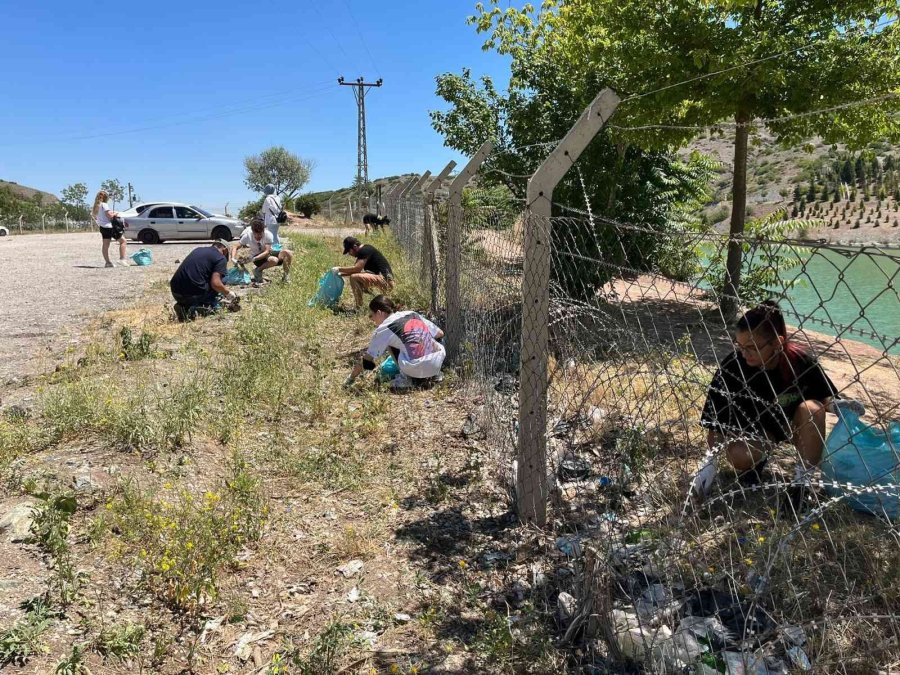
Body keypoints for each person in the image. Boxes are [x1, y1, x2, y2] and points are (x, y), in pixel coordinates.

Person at [692, 300, 864, 506]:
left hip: (789, 427)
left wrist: (838, 406)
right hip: (754, 432)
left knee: (812, 408)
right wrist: (709, 463)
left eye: (752, 347)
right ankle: (756, 462)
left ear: (777, 342)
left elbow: (825, 396)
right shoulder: (733, 365)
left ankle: (802, 483)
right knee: (738, 456)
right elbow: (715, 422)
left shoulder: (800, 361)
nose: (744, 353)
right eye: (740, 346)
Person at [345, 295, 445, 391]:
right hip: (437, 362)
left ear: (379, 312)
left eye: (371, 315)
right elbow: (440, 334)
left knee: (390, 342)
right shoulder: (411, 313)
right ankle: (434, 375)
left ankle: (407, 379)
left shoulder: (384, 328)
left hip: (417, 368)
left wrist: (351, 378)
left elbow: (367, 360)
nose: (372, 320)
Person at [170, 240, 239, 321]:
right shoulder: (221, 258)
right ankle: (199, 307)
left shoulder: (198, 249)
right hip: (193, 294)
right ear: (225, 250)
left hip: (175, 292)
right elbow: (216, 284)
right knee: (224, 277)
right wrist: (228, 293)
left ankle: (184, 306)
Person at [334, 236, 394, 308]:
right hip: (383, 281)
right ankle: (379, 302)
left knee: (354, 278)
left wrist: (339, 269)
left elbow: (356, 269)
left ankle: (359, 307)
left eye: (349, 251)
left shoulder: (365, 250)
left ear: (355, 247)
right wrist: (340, 274)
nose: (350, 254)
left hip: (386, 281)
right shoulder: (364, 251)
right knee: (357, 277)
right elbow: (356, 270)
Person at [231, 218, 293, 284]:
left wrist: (253, 259)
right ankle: (257, 270)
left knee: (288, 252)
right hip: (257, 258)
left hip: (266, 254)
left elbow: (267, 251)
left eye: (260, 233)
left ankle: (286, 277)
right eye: (256, 234)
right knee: (274, 260)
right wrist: (233, 258)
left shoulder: (268, 234)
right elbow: (235, 246)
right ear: (252, 231)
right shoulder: (247, 236)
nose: (259, 236)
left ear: (263, 230)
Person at [91, 189, 128, 268]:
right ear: (106, 198)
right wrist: (115, 213)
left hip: (102, 227)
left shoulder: (96, 206)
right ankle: (122, 259)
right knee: (123, 241)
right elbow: (109, 216)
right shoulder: (104, 205)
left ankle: (108, 262)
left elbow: (98, 216)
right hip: (109, 227)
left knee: (105, 245)